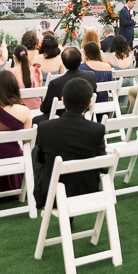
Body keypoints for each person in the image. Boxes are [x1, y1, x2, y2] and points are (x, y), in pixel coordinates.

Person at [33, 78, 106, 208]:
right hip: (88, 192)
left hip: (53, 195)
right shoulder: (97, 129)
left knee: (36, 152)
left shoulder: (45, 127)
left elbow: (40, 159)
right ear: (90, 103)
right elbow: (104, 167)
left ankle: (39, 194)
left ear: (63, 101)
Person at [35, 47, 97, 124]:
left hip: (61, 118)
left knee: (35, 120)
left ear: (64, 63)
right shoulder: (91, 76)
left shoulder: (56, 83)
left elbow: (45, 108)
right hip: (84, 114)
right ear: (80, 59)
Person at [7, 45, 43, 110]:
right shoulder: (37, 71)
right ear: (27, 56)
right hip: (36, 108)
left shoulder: (10, 72)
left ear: (14, 57)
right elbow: (39, 90)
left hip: (18, 109)